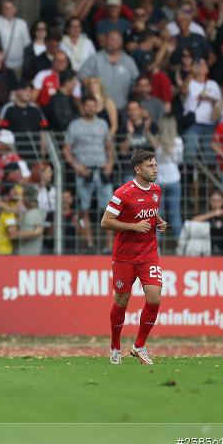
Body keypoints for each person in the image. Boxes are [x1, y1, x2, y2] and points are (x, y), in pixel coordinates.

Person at [101, 149, 167, 365]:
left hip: (149, 254)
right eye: (150, 166)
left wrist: (158, 221)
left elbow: (150, 211)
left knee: (155, 297)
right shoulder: (123, 193)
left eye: (155, 165)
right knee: (121, 301)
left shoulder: (157, 190)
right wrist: (133, 227)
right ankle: (115, 347)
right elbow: (106, 221)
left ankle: (139, 346)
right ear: (138, 169)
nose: (155, 169)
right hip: (124, 257)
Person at [63, 96, 115, 252]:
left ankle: (108, 246)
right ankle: (89, 244)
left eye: (93, 106)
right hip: (84, 171)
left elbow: (108, 146)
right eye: (87, 106)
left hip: (102, 170)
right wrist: (76, 166)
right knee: (83, 209)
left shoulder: (103, 124)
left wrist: (110, 163)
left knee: (110, 210)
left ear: (97, 107)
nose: (90, 108)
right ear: (82, 107)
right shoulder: (74, 126)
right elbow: (66, 149)